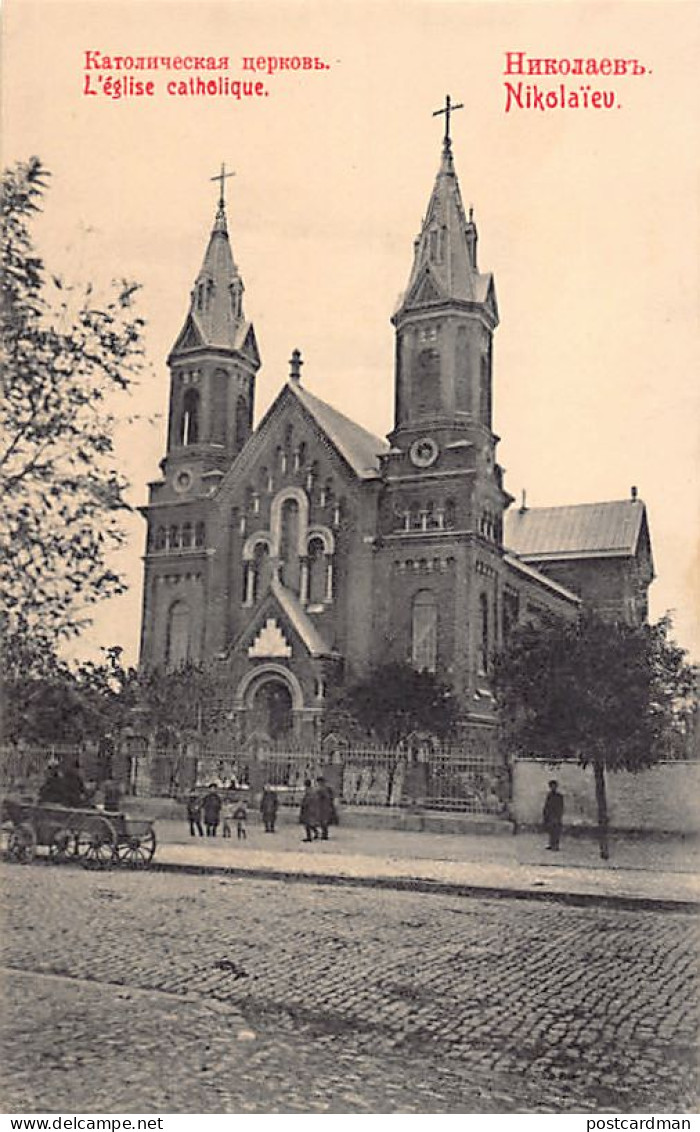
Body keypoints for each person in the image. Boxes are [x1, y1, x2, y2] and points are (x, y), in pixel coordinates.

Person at [543, 779, 564, 851]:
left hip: (556, 815)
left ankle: (556, 845)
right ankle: (551, 844)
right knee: (551, 831)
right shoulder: (549, 795)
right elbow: (547, 805)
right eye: (551, 786)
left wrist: (559, 816)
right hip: (550, 815)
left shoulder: (559, 796)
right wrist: (545, 814)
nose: (553, 788)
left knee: (556, 831)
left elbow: (561, 807)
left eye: (554, 786)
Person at [315, 775, 337, 841]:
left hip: (324, 807)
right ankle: (323, 834)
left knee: (323, 822)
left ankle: (324, 835)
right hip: (324, 806)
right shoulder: (325, 788)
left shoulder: (323, 789)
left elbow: (328, 797)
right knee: (323, 822)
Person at [299, 778, 319, 842]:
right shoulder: (312, 791)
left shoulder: (308, 791)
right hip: (312, 809)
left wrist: (303, 804)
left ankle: (309, 837)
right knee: (310, 823)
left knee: (307, 824)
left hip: (308, 809)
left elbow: (307, 801)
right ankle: (315, 833)